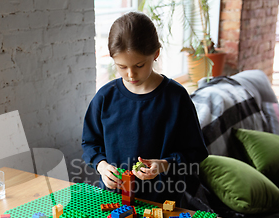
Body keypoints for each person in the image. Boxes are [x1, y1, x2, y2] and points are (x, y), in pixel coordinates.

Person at [81, 12, 208, 204]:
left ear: (156, 54)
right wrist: (101, 166)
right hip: (113, 201)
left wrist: (164, 164)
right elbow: (89, 144)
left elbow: (196, 152)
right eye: (121, 66)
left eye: (139, 65)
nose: (131, 74)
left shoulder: (176, 97)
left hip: (164, 202)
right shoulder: (105, 97)